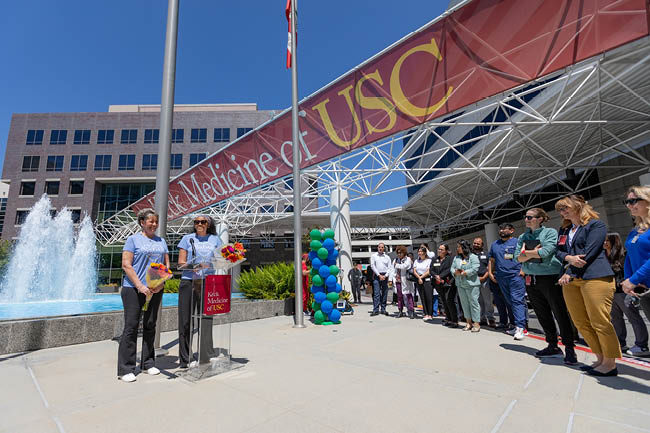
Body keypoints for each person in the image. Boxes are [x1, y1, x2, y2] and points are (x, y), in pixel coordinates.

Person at [555, 195, 620, 376]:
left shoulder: (595, 225)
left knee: (600, 321)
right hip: (570, 280)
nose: (563, 212)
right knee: (581, 322)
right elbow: (557, 251)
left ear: (578, 206)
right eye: (560, 209)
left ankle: (610, 363)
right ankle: (599, 358)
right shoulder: (565, 229)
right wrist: (567, 258)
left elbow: (589, 252)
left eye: (566, 207)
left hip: (594, 277)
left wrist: (570, 272)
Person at [517, 208, 577, 365]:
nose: (527, 220)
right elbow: (518, 257)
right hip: (532, 279)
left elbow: (546, 252)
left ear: (540, 219)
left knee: (559, 312)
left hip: (550, 278)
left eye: (530, 217)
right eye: (526, 217)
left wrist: (527, 253)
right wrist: (533, 252)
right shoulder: (523, 236)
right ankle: (552, 344)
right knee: (542, 313)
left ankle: (570, 348)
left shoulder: (549, 233)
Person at [117, 209, 170, 382]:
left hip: (155, 289)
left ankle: (147, 363)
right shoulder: (133, 240)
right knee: (131, 327)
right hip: (133, 289)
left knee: (150, 325)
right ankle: (126, 368)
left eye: (155, 221)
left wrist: (160, 284)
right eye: (150, 221)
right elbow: (126, 265)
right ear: (142, 222)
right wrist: (140, 285)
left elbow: (165, 266)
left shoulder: (161, 241)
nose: (153, 224)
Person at [176, 215, 222, 369]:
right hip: (189, 282)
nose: (199, 224)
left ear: (208, 224)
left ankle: (206, 355)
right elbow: (180, 264)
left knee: (206, 319)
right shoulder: (187, 239)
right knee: (186, 321)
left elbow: (221, 259)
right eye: (196, 222)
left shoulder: (215, 240)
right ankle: (186, 359)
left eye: (203, 222)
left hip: (208, 282)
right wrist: (193, 266)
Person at [605, 232, 648, 355]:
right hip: (611, 291)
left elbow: (626, 272)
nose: (604, 243)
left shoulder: (623, 255)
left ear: (613, 241)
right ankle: (620, 342)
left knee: (633, 317)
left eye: (606, 240)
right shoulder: (604, 256)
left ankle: (641, 345)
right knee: (616, 318)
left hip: (623, 291)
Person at [620, 186, 650, 354]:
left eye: (633, 201)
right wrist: (628, 280)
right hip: (643, 288)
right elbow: (629, 258)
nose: (629, 205)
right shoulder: (635, 231)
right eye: (627, 202)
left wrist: (633, 279)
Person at [489, 223, 528, 340]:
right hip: (501, 278)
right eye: (500, 229)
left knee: (517, 300)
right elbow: (491, 260)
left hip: (515, 276)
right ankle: (515, 325)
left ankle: (521, 327)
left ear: (512, 230)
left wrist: (523, 270)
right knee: (509, 302)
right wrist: (491, 273)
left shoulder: (517, 242)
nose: (501, 230)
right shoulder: (494, 244)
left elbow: (525, 256)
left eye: (504, 229)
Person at [451, 240, 481, 332]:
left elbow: (475, 268)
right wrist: (455, 272)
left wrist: (465, 272)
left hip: (471, 284)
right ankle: (468, 322)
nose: (457, 249)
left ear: (464, 247)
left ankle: (476, 323)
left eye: (459, 247)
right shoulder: (457, 258)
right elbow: (452, 268)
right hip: (460, 284)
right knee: (464, 304)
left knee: (473, 303)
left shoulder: (473, 257)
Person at [432, 244, 458, 328]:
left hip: (448, 283)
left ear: (446, 251)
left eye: (441, 249)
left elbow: (450, 269)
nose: (439, 251)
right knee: (444, 301)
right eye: (439, 249)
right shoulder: (435, 259)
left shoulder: (450, 258)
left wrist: (441, 276)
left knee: (449, 301)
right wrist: (436, 276)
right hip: (438, 283)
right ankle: (448, 318)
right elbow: (431, 270)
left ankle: (454, 320)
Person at [473, 237, 495, 327]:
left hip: (485, 280)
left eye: (478, 243)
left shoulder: (487, 254)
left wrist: (484, 277)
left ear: (482, 245)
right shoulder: (470, 255)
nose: (476, 245)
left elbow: (490, 267)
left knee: (488, 301)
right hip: (474, 281)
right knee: (478, 301)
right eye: (474, 243)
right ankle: (482, 319)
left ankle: (491, 318)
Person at [391, 246, 416, 318]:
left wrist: (397, 265)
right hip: (398, 280)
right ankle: (400, 310)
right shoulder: (395, 259)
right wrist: (391, 279)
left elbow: (405, 266)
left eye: (400, 253)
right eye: (398, 253)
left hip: (406, 280)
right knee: (399, 297)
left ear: (404, 252)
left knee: (408, 295)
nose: (399, 254)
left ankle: (411, 311)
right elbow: (392, 269)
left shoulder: (408, 259)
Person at [370, 243, 391, 316]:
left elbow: (389, 267)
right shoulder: (373, 256)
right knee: (376, 293)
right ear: (377, 248)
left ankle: (383, 309)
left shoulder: (387, 257)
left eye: (382, 247)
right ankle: (375, 310)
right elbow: (372, 266)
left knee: (385, 293)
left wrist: (385, 275)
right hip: (377, 276)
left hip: (385, 276)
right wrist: (379, 275)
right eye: (379, 247)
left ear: (384, 248)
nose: (380, 248)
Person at [412, 247, 434, 320]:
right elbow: (414, 271)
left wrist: (421, 278)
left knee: (429, 297)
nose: (420, 253)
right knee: (422, 297)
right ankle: (425, 313)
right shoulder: (416, 261)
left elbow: (428, 271)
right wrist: (419, 278)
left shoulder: (429, 261)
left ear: (425, 253)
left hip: (427, 279)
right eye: (419, 251)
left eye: (421, 251)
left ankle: (430, 314)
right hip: (419, 279)